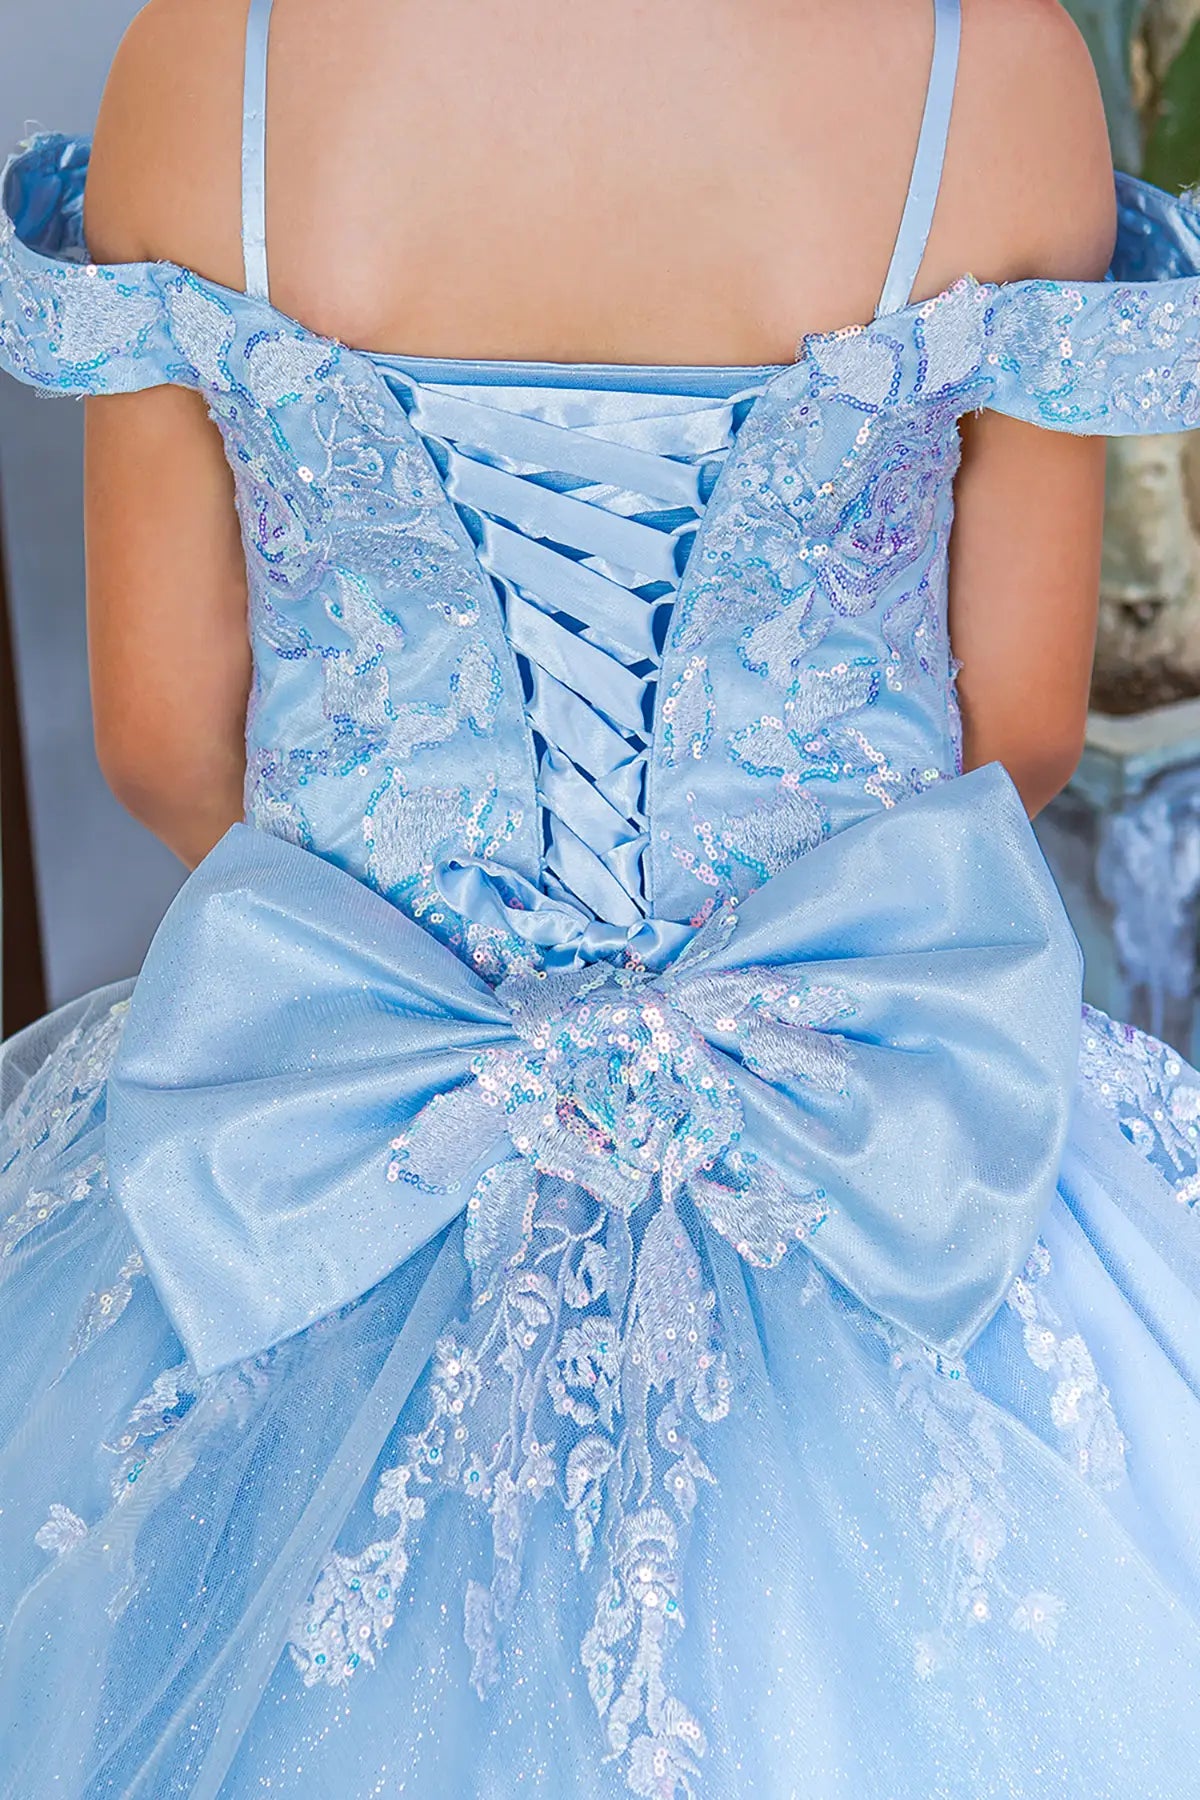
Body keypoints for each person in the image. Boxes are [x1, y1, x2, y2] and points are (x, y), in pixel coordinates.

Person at [2, 0, 1200, 1792]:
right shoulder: (993, 57)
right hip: (863, 1149)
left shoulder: (210, 55)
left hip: (334, 1150)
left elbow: (167, 737)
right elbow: (1013, 730)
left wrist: (416, 936)